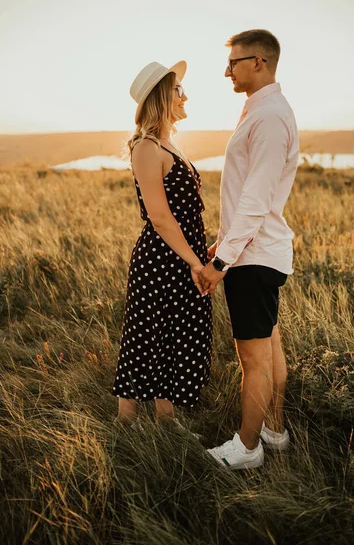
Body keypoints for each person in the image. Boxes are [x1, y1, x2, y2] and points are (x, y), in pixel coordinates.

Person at [202, 29, 299, 469]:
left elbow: (255, 200)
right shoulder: (260, 111)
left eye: (233, 63)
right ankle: (274, 431)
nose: (227, 71)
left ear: (258, 61)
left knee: (252, 357)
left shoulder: (270, 118)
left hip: (252, 257)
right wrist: (221, 243)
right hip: (253, 251)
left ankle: (247, 447)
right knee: (270, 344)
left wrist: (222, 260)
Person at [112, 61, 213, 430]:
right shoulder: (146, 148)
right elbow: (159, 216)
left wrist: (205, 252)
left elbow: (186, 212)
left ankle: (166, 419)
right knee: (147, 333)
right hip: (161, 259)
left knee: (173, 336)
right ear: (160, 99)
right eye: (177, 90)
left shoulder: (171, 144)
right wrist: (194, 262)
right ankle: (125, 424)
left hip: (183, 256)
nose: (184, 95)